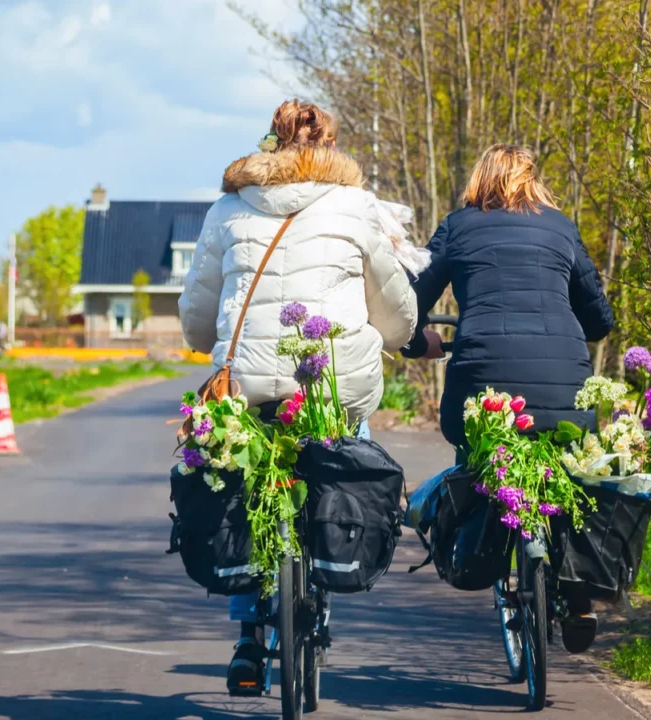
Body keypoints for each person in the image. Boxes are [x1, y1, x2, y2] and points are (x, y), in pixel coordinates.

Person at [178, 99, 417, 693]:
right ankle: (333, 561)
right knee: (343, 445)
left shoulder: (228, 209)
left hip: (249, 382)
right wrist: (398, 335)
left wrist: (208, 340)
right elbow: (391, 302)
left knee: (242, 479)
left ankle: (247, 638)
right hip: (329, 380)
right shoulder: (356, 206)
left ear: (271, 144)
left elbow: (197, 313)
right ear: (330, 146)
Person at [401, 143, 614, 654]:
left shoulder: (457, 226)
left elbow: (410, 306)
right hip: (566, 387)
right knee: (571, 468)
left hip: (483, 385)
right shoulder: (561, 227)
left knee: (475, 448)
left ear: (479, 181)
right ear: (531, 180)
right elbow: (600, 320)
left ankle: (481, 545)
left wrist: (418, 343)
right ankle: (579, 592)